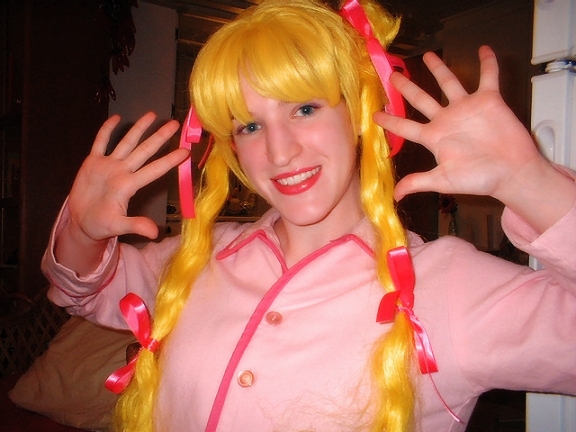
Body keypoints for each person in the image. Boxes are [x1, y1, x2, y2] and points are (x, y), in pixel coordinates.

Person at [42, 0, 576, 431]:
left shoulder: (448, 287)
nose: (280, 152)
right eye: (250, 126)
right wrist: (83, 232)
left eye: (304, 108)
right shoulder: (193, 259)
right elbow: (83, 289)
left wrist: (530, 182)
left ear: (358, 112)